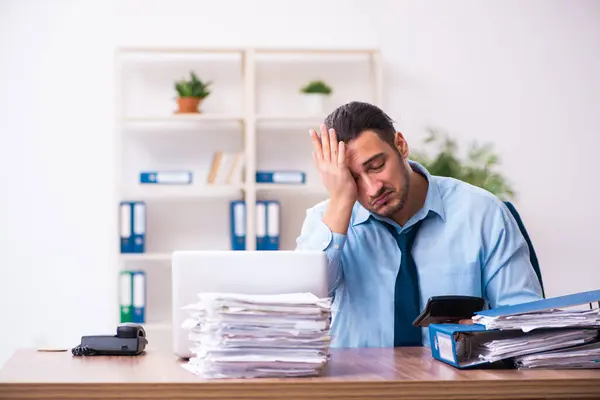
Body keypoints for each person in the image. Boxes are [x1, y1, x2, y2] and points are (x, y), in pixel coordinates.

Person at [295, 101, 543, 348]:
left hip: (458, 382)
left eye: (377, 166)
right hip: (358, 384)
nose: (372, 188)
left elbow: (525, 323)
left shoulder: (482, 213)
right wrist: (340, 200)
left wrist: (485, 332)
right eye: (353, 179)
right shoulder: (326, 223)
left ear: (400, 145)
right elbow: (302, 311)